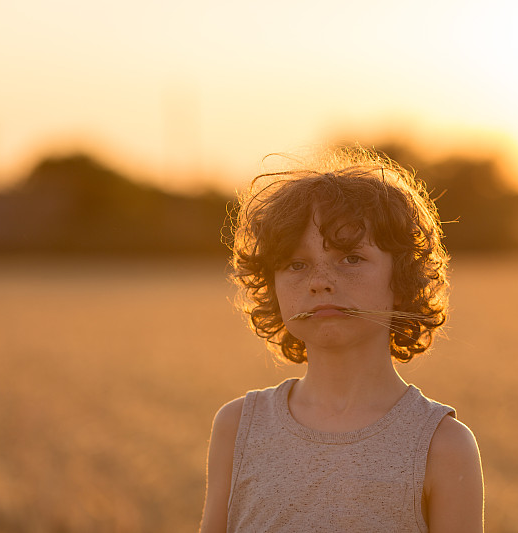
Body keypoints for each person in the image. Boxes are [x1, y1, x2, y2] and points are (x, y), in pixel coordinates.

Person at [199, 147, 484, 532]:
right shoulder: (238, 427)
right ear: (273, 288)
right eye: (296, 265)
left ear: (401, 280)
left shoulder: (442, 445)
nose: (320, 281)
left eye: (350, 258)